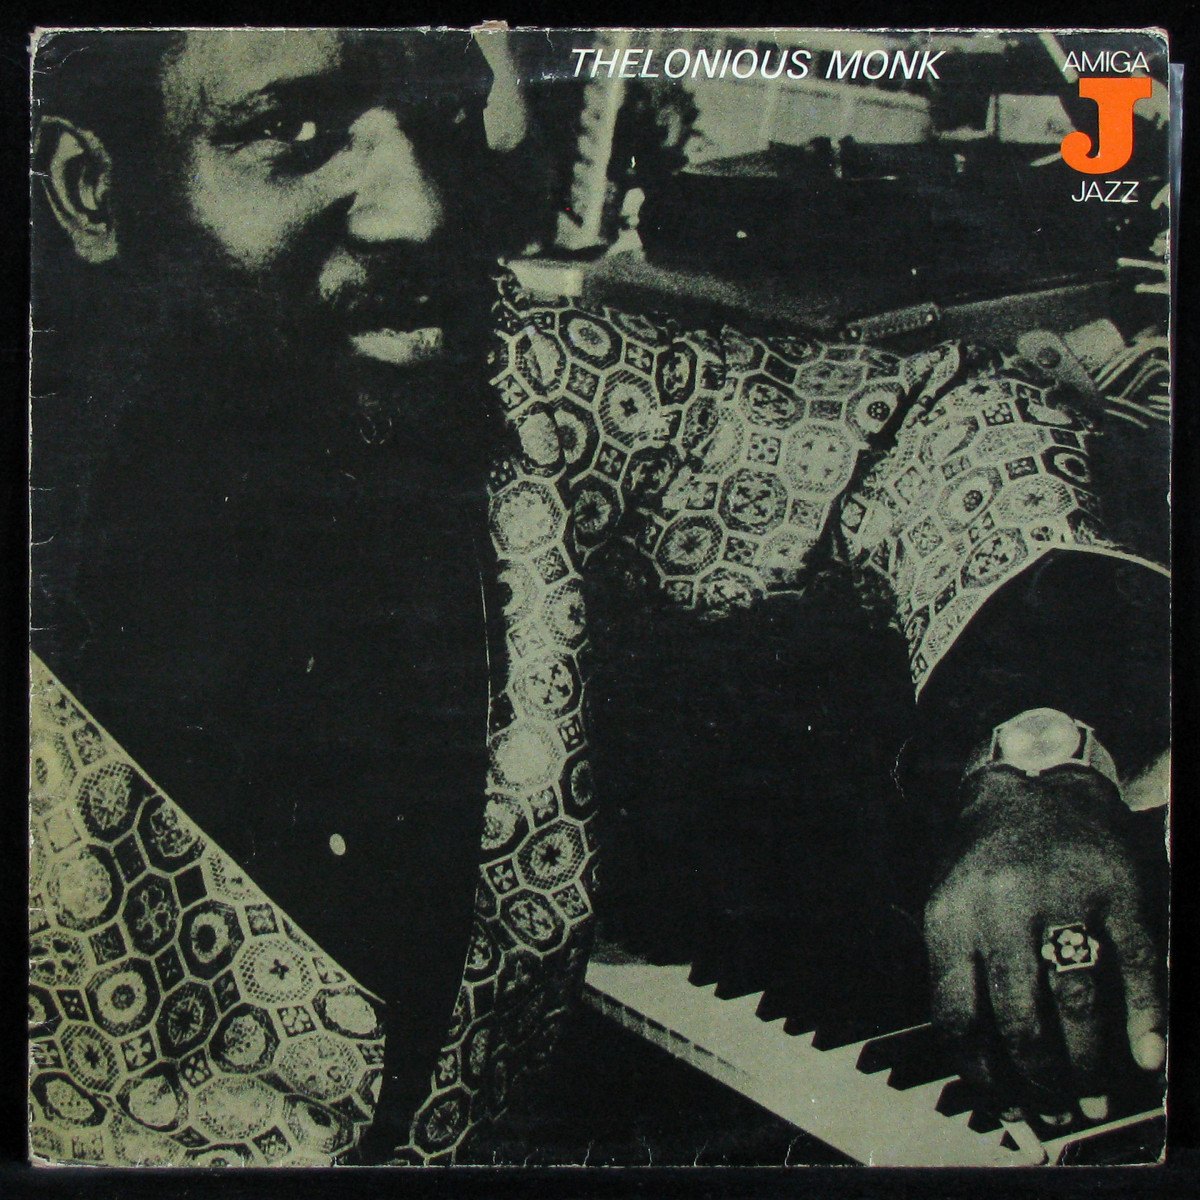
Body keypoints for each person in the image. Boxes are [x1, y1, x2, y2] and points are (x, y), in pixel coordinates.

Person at [28, 28, 1169, 1166]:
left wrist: (1034, 767)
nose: (418, 210)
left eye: (436, 108)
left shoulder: (513, 380)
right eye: (292, 129)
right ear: (92, 190)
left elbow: (938, 425)